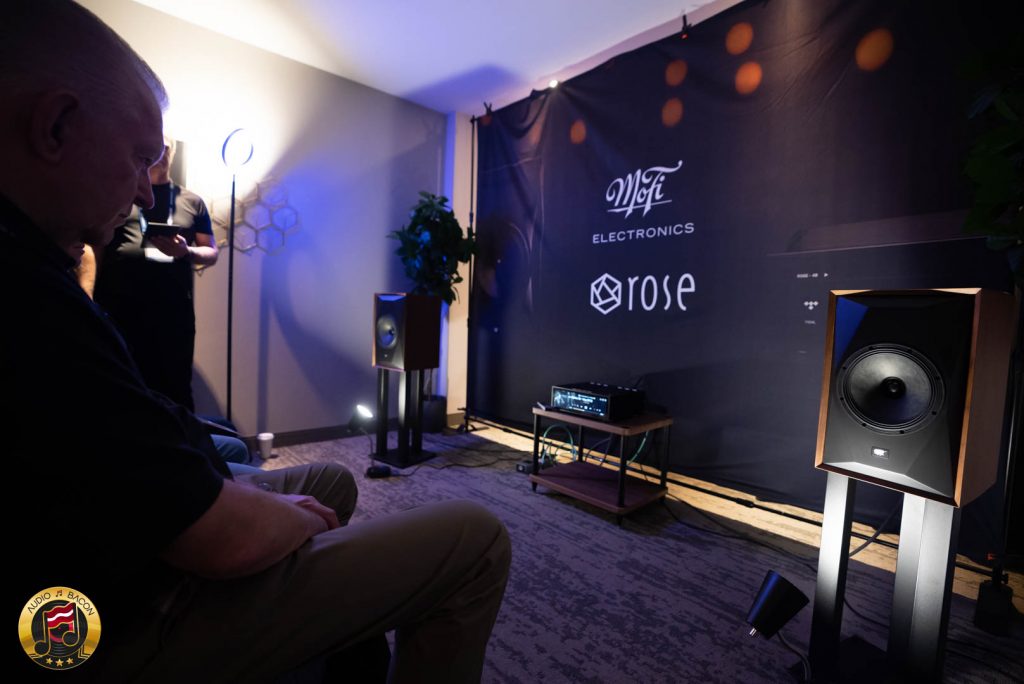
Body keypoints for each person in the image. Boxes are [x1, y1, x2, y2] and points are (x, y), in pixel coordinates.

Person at [2, 3, 510, 683]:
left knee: (331, 478)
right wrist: (284, 520)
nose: (141, 192)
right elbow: (219, 540)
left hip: (135, 538)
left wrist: (255, 499)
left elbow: (130, 433)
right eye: (137, 158)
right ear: (55, 126)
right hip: (115, 619)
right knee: (477, 536)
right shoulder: (28, 298)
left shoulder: (45, 269)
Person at [78, 136, 218, 412]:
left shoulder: (193, 201)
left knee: (175, 385)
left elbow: (211, 252)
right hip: (120, 306)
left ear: (173, 153)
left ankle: (179, 438)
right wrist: (87, 294)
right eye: (156, 150)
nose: (161, 155)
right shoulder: (121, 195)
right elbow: (95, 248)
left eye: (167, 149)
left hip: (172, 312)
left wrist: (186, 251)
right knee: (122, 382)